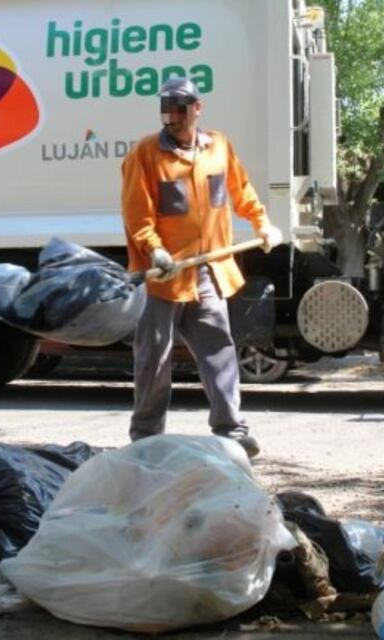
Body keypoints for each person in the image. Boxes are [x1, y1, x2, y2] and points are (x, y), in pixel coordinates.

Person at [120, 77, 282, 459]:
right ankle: (146, 436)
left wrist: (261, 223)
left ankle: (231, 430)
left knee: (219, 350)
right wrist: (155, 251)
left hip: (207, 272)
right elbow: (137, 213)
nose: (171, 117)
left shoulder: (219, 147)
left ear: (197, 108)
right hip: (164, 278)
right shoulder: (146, 153)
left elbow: (241, 192)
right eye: (165, 109)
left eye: (178, 108)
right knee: (153, 357)